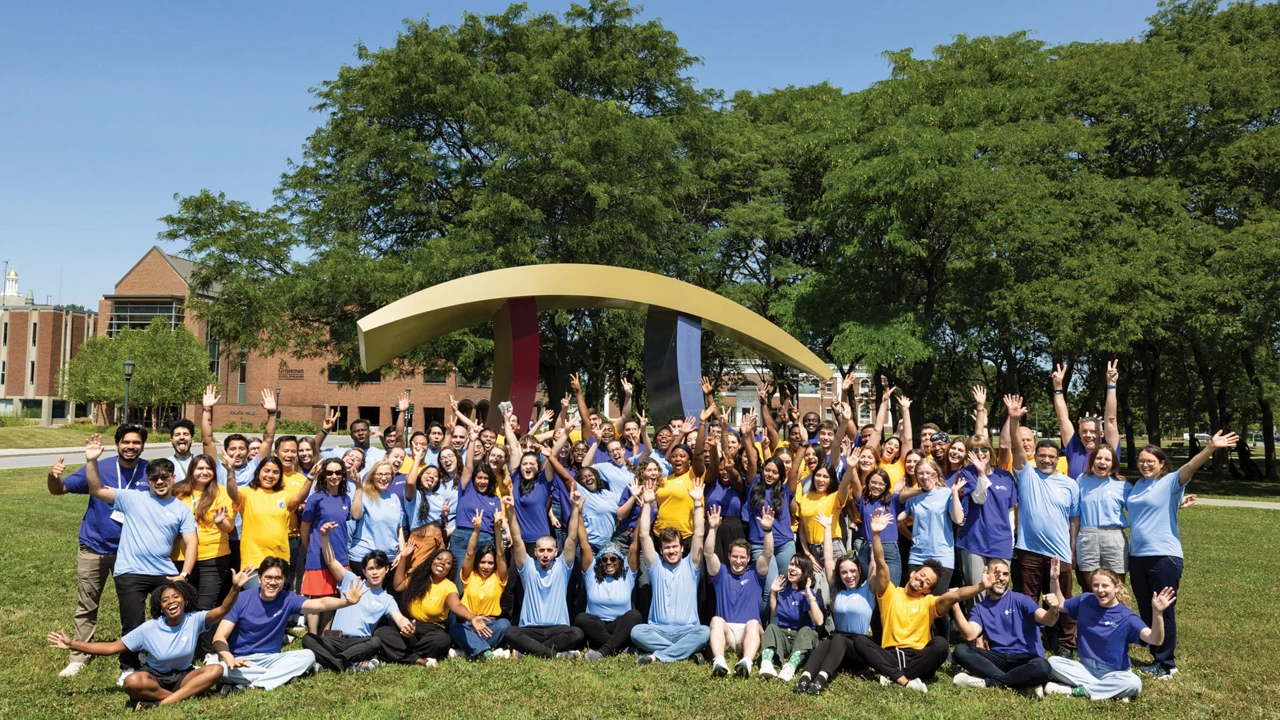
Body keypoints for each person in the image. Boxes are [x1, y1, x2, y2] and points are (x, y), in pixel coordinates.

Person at [80, 435, 199, 685]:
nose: (159, 482)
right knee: (133, 622)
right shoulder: (133, 498)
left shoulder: (181, 509)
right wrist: (91, 461)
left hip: (164, 573)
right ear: (148, 480)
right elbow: (97, 489)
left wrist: (184, 575)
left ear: (173, 478)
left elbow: (191, 543)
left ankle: (173, 661)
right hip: (130, 571)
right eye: (154, 478)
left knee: (174, 618)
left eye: (164, 477)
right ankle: (129, 667)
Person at [47, 568, 252, 710]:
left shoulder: (195, 619)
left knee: (216, 669)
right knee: (131, 681)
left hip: (184, 675)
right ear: (159, 606)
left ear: (184, 599)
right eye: (165, 600)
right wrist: (72, 644)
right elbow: (111, 648)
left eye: (175, 597)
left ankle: (161, 703)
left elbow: (223, 610)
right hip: (155, 677)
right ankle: (181, 697)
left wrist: (235, 588)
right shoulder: (149, 628)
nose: (171, 602)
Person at [1126, 430, 1236, 679]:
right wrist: (1178, 505)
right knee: (1147, 608)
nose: (1145, 465)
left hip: (1164, 556)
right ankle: (1156, 656)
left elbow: (1190, 466)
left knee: (1163, 609)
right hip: (1138, 556)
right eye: (1141, 461)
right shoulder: (1138, 485)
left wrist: (1211, 448)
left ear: (1161, 464)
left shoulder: (1171, 481)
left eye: (1150, 461)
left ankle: (1166, 663)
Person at [47, 423, 150, 678]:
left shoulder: (150, 471)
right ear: (117, 445)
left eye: (136, 442)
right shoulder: (98, 467)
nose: (131, 447)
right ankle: (79, 657)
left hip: (133, 551)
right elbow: (59, 489)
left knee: (133, 606)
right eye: (126, 442)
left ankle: (137, 649)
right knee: (87, 603)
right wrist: (53, 476)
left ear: (142, 446)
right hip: (95, 546)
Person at [853, 509, 991, 693]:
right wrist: (876, 535)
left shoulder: (929, 603)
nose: (922, 580)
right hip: (891, 653)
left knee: (941, 644)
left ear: (927, 590)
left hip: (919, 657)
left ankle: (893, 675)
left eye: (927, 582)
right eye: (922, 575)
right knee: (860, 641)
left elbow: (956, 595)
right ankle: (905, 680)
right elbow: (881, 564)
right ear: (912, 574)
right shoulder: (890, 593)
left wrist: (981, 586)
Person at [212, 556, 359, 690]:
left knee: (308, 656)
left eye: (278, 578)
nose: (273, 582)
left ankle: (252, 685)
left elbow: (320, 604)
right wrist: (229, 658)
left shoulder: (287, 599)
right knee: (221, 669)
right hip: (242, 660)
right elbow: (219, 636)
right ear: (259, 579)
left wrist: (346, 602)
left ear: (284, 581)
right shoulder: (241, 599)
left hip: (272, 659)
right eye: (268, 577)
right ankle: (279, 677)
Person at [1005, 394, 1080, 656]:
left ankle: (1066, 643)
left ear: (1058, 458)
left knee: (1063, 600)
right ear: (1034, 456)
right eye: (1042, 455)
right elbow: (1016, 447)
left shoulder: (1070, 484)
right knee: (1027, 600)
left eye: (1051, 456)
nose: (1047, 459)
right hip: (1028, 551)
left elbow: (1074, 519)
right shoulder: (1026, 474)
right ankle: (1029, 640)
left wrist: (1072, 549)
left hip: (1060, 554)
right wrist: (1014, 419)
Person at [1044, 570, 1174, 701]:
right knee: (1053, 662)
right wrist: (1054, 579)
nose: (1100, 590)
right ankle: (1111, 690)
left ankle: (1075, 690)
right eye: (1096, 585)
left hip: (1114, 672)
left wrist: (1157, 613)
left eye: (1105, 585)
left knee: (1134, 683)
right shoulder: (1085, 600)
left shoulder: (1127, 617)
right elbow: (1060, 605)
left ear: (1116, 587)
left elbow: (1155, 640)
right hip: (1085, 667)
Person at [303, 522, 415, 672]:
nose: (374, 572)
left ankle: (329, 662)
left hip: (359, 643)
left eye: (379, 568)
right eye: (370, 568)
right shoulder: (351, 580)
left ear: (387, 569)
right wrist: (324, 536)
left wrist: (407, 626)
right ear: (364, 571)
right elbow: (330, 561)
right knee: (308, 639)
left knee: (376, 642)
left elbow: (399, 618)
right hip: (335, 639)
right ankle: (347, 664)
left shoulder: (387, 599)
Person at [950, 558, 1060, 696]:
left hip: (1026, 658)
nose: (1001, 578)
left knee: (1043, 667)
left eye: (1005, 574)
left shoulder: (1020, 599)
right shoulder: (980, 608)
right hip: (998, 659)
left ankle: (990, 682)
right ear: (986, 574)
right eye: (997, 573)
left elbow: (1047, 620)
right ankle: (1021, 683)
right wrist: (955, 605)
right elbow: (969, 634)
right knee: (960, 650)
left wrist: (1053, 609)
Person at [631, 475, 710, 664]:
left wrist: (697, 503)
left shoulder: (691, 565)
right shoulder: (656, 565)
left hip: (688, 630)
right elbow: (644, 535)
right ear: (661, 550)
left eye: (675, 546)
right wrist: (647, 504)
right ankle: (685, 652)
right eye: (667, 548)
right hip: (658, 629)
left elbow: (699, 534)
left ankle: (658, 655)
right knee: (636, 631)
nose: (671, 551)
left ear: (682, 548)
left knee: (705, 631)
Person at [793, 513, 875, 695]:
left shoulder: (867, 590)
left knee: (837, 638)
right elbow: (828, 559)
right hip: (838, 651)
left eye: (852, 571)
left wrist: (876, 535)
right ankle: (805, 677)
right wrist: (827, 528)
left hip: (858, 650)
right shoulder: (837, 590)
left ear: (859, 570)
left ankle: (821, 679)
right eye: (844, 572)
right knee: (827, 641)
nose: (849, 576)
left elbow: (876, 562)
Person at [503, 492, 587, 659]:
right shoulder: (528, 567)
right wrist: (511, 510)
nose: (545, 554)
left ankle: (530, 650)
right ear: (535, 552)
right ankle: (556, 655)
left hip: (558, 629)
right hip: (530, 629)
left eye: (549, 550)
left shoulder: (562, 567)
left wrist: (575, 508)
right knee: (510, 632)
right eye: (541, 550)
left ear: (556, 552)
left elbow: (571, 538)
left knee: (577, 633)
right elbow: (518, 540)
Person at [704, 502, 773, 678]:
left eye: (742, 557)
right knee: (716, 620)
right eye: (734, 556)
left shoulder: (756, 574)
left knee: (754, 623)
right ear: (728, 556)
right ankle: (719, 662)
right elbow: (708, 554)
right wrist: (713, 529)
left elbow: (767, 554)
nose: (738, 560)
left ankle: (746, 663)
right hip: (726, 632)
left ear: (748, 558)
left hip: (748, 633)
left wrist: (767, 530)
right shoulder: (721, 573)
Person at [572, 494, 643, 661]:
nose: (609, 562)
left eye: (613, 559)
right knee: (581, 618)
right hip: (597, 627)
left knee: (634, 615)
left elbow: (634, 545)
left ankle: (603, 652)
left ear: (620, 561)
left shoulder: (627, 573)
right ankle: (618, 647)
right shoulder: (591, 574)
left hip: (620, 626)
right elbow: (584, 543)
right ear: (600, 562)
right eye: (604, 559)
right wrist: (578, 512)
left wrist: (642, 512)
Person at [223, 453, 311, 574]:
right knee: (254, 587)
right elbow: (233, 493)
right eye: (266, 471)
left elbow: (300, 498)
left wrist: (310, 477)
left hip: (279, 559)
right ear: (258, 472)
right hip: (253, 560)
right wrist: (231, 472)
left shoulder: (285, 495)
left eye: (275, 472)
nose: (270, 475)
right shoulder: (247, 493)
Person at [171, 454, 236, 610]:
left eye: (209, 469)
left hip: (212, 557)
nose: (204, 472)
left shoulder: (222, 492)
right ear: (191, 470)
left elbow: (229, 527)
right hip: (181, 557)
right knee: (184, 606)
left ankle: (205, 628)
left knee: (205, 607)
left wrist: (219, 522)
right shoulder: (177, 491)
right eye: (200, 468)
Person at [953, 439, 1017, 598]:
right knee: (976, 592)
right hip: (974, 541)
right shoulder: (967, 473)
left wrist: (1011, 539)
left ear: (991, 451)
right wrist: (981, 473)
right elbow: (979, 498)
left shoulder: (1005, 476)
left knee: (998, 590)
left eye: (984, 449)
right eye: (975, 450)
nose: (980, 454)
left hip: (1001, 541)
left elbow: (1010, 512)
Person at [449, 508, 513, 660]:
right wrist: (476, 530)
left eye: (490, 563)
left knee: (505, 625)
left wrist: (497, 528)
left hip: (491, 625)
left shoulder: (499, 578)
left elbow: (500, 554)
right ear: (477, 563)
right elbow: (469, 554)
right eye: (483, 562)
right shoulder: (469, 576)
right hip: (469, 624)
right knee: (455, 629)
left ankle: (470, 649)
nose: (486, 566)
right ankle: (486, 651)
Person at [298, 458, 353, 633]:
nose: (334, 476)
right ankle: (313, 635)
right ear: (324, 475)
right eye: (329, 473)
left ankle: (325, 634)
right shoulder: (315, 498)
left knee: (332, 594)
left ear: (343, 475)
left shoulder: (346, 499)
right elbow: (304, 527)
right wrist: (311, 548)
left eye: (338, 472)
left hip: (339, 555)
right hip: (317, 554)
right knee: (316, 596)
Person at [899, 457, 966, 596]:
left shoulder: (946, 493)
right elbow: (898, 518)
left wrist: (954, 493)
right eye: (921, 473)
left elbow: (958, 519)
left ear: (935, 474)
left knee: (937, 601)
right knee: (914, 598)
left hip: (941, 555)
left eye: (928, 473)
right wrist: (896, 495)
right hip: (917, 555)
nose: (924, 476)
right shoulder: (913, 496)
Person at [759, 554, 824, 682]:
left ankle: (790, 667)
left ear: (805, 572)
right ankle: (766, 663)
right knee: (771, 627)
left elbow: (819, 621)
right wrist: (773, 592)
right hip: (784, 635)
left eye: (798, 566)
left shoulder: (807, 593)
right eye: (792, 564)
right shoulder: (785, 591)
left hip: (802, 639)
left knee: (806, 630)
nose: (792, 568)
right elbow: (774, 613)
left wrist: (810, 598)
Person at [1052, 360, 1121, 479]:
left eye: (1093, 431)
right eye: (1084, 431)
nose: (1088, 435)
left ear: (1101, 433)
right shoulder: (1074, 449)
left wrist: (1111, 385)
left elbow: (1111, 419)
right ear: (1079, 433)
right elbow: (1062, 419)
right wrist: (1058, 387)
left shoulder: (1109, 450)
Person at [1075, 444, 1130, 591]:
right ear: (1092, 460)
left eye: (1107, 459)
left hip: (1113, 537)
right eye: (1098, 458)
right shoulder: (1081, 480)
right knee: (1092, 588)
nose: (1102, 462)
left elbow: (1140, 506)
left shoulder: (1122, 485)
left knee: (1117, 589)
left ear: (1113, 463)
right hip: (1087, 537)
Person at [349, 461, 405, 578]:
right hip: (365, 557)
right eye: (380, 474)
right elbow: (355, 515)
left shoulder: (394, 498)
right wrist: (359, 488)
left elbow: (399, 529)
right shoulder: (364, 495)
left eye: (387, 474)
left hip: (390, 559)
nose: (383, 478)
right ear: (373, 476)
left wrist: (402, 552)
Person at [316, 413, 386, 466]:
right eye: (356, 431)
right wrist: (325, 431)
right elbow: (314, 452)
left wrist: (382, 437)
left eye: (363, 430)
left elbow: (392, 453)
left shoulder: (381, 454)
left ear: (369, 433)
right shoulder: (342, 453)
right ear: (351, 436)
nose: (360, 433)